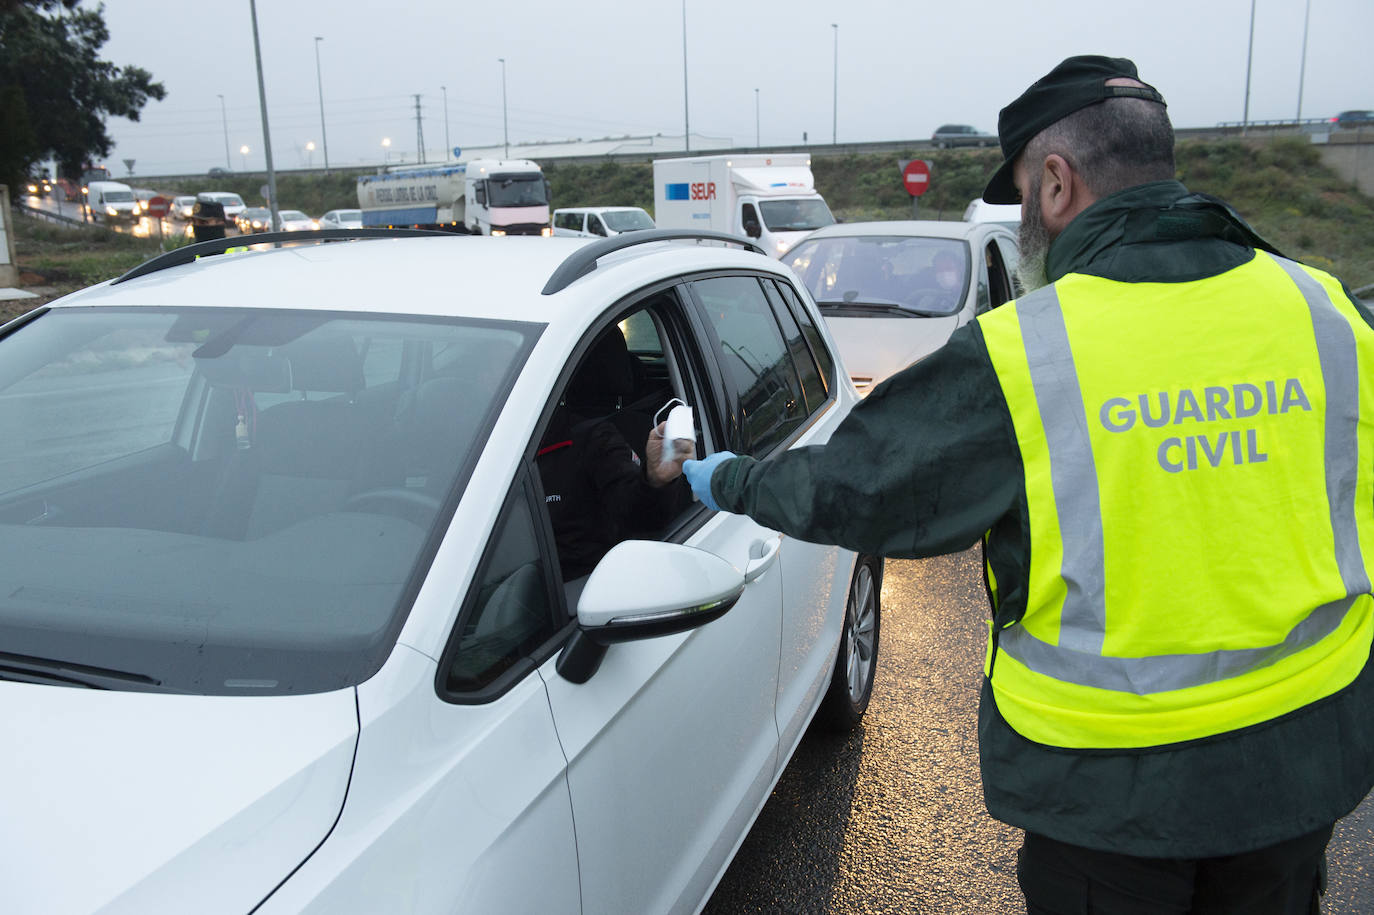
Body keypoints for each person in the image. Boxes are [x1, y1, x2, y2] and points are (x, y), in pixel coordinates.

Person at [683, 54, 1374, 913]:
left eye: (1018, 199)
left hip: (1111, 799)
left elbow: (859, 489)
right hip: (1299, 767)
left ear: (1056, 182)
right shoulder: (1326, 312)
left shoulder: (1031, 353)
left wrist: (726, 478)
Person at [538, 326, 693, 590]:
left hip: (573, 600)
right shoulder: (468, 444)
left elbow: (639, 516)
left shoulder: (594, 440)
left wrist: (655, 481)